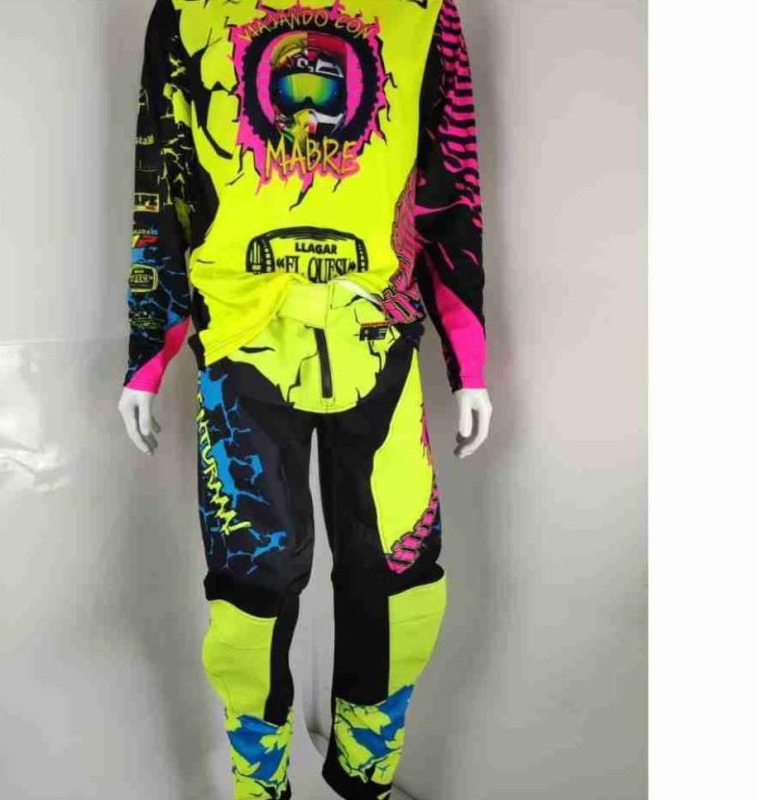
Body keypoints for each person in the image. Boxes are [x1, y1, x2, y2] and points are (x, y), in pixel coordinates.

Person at [116, 2, 492, 797]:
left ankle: (365, 780)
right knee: (251, 590)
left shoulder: (424, 11)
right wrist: (148, 350)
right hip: (242, 349)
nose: (311, 111)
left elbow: (450, 183)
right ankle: (261, 788)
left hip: (377, 340)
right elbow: (163, 174)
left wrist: (469, 356)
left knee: (397, 580)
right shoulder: (187, 8)